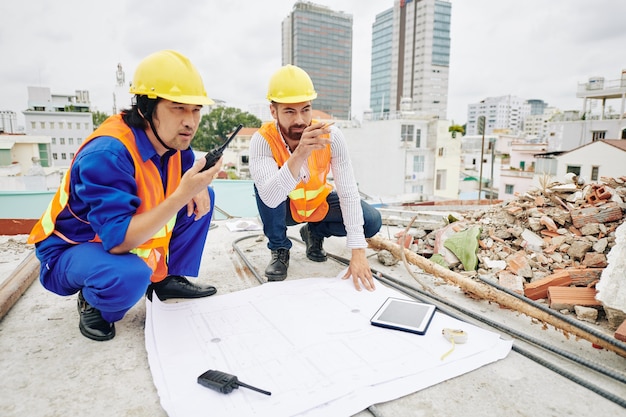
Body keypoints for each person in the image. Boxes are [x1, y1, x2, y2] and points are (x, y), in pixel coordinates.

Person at [27, 50, 222, 341]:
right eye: (177, 108)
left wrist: (196, 189)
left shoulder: (174, 144)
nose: (190, 122)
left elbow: (182, 193)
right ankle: (93, 302)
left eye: (195, 110)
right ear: (145, 108)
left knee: (204, 196)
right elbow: (118, 241)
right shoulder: (108, 154)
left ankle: (165, 279)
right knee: (128, 275)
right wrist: (182, 194)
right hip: (71, 250)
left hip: (115, 236)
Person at [249, 64, 382, 291]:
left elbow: (348, 192)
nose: (300, 120)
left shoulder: (332, 136)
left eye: (306, 109)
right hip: (284, 210)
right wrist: (300, 153)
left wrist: (358, 252)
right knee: (265, 187)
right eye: (290, 111)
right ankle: (280, 248)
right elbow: (271, 198)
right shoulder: (262, 141)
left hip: (316, 205)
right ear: (274, 111)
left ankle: (313, 232)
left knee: (371, 220)